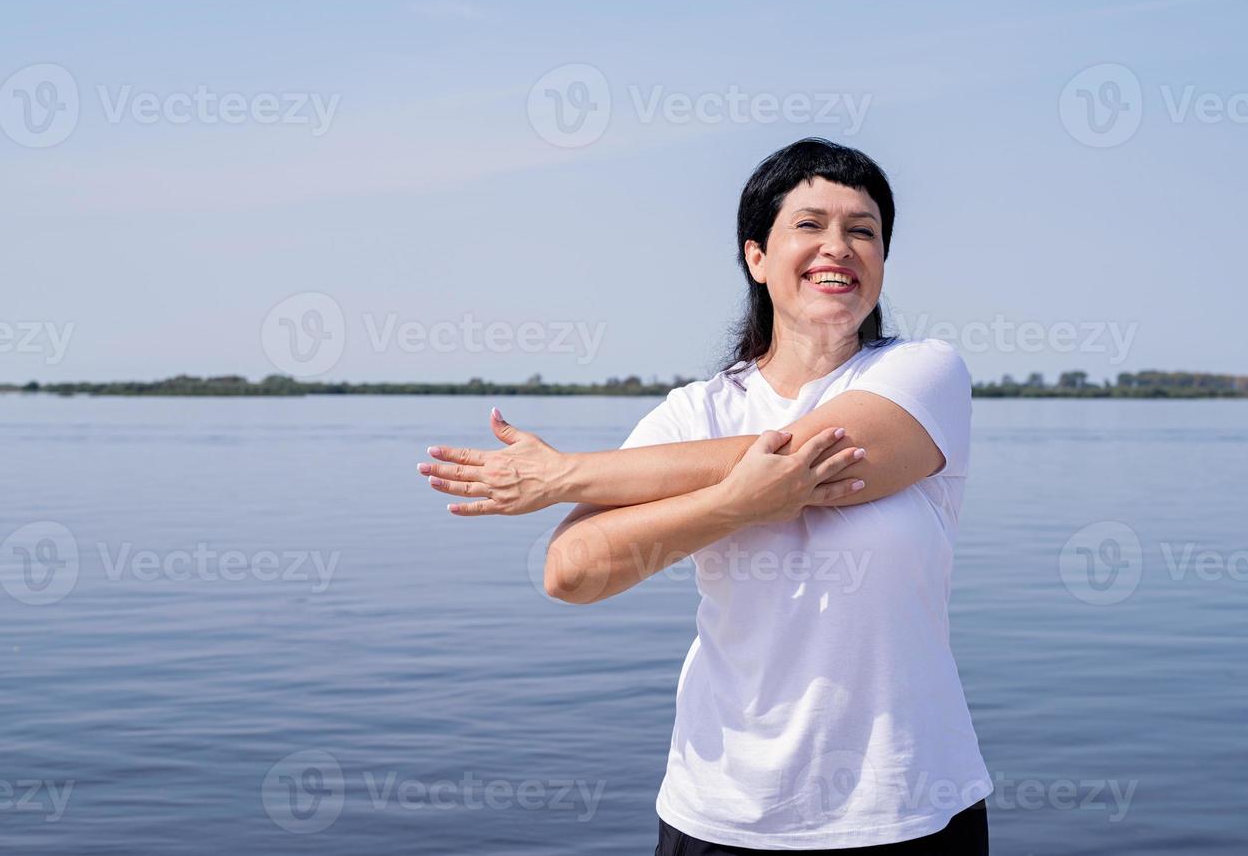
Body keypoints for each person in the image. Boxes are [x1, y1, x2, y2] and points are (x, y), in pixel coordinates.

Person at [417, 138, 991, 853]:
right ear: (755, 256)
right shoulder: (694, 413)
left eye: (862, 231)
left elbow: (823, 459)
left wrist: (566, 475)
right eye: (808, 225)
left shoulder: (923, 373)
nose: (837, 247)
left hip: (907, 808)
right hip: (721, 814)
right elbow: (571, 571)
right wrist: (735, 506)